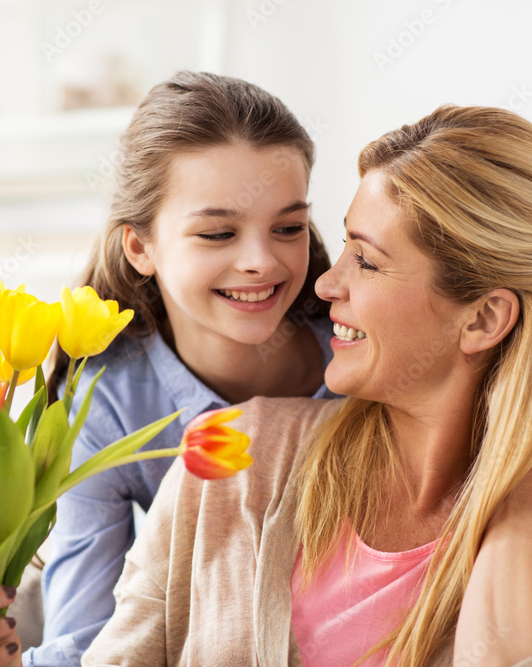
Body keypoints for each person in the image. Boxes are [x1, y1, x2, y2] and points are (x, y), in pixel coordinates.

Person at [81, 105, 532, 666]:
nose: (326, 284)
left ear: (483, 319)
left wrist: (529, 480)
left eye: (366, 260)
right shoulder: (237, 456)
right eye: (344, 248)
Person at [28, 70, 341, 666]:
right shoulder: (107, 402)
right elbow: (83, 639)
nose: (260, 261)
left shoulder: (366, 355)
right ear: (140, 248)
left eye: (288, 228)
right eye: (218, 232)